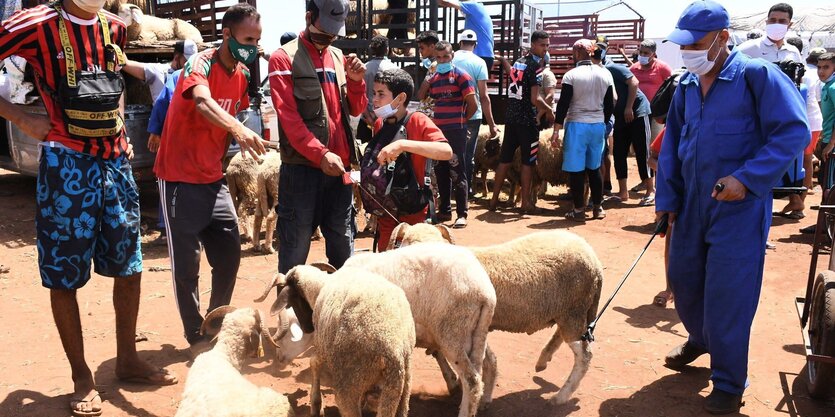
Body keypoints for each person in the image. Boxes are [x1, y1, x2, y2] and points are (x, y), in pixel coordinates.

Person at [0, 1, 180, 415]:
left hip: (115, 163)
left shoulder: (114, 28)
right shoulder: (37, 24)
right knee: (64, 274)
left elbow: (111, 84)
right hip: (67, 164)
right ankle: (82, 376)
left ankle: (127, 359)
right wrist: (22, 120)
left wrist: (119, 129)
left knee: (130, 264)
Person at [657, 1, 809, 414]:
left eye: (696, 44)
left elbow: (793, 132)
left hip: (738, 208)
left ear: (723, 38)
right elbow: (672, 146)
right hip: (690, 205)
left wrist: (747, 177)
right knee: (685, 281)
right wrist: (668, 200)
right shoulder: (686, 85)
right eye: (683, 45)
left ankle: (728, 380)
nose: (687, 52)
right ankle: (700, 339)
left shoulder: (757, 75)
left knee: (729, 293)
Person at [155, 3, 266, 354]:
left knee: (229, 254)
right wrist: (236, 128)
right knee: (186, 265)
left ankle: (214, 324)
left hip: (212, 178)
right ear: (227, 34)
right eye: (247, 39)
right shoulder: (199, 63)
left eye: (257, 40)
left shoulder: (244, 76)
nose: (252, 46)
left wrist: (237, 132)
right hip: (178, 177)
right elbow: (202, 103)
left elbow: (236, 110)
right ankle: (194, 335)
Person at [268, 0, 367, 274]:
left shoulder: (337, 57)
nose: (330, 37)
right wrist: (320, 154)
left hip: (340, 173)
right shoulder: (283, 58)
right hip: (302, 173)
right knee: (294, 255)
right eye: (325, 31)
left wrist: (358, 82)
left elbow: (356, 109)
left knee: (343, 253)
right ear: (308, 16)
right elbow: (289, 120)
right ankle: (289, 317)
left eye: (334, 33)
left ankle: (339, 316)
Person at [367, 68, 453, 249]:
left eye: (381, 94)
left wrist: (403, 145)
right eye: (374, 93)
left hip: (414, 213)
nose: (374, 99)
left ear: (400, 98)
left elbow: (446, 151)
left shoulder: (418, 120)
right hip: (386, 211)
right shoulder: (379, 124)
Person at [489, 30, 554, 214]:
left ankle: (493, 201)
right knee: (528, 162)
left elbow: (513, 78)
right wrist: (549, 111)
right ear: (533, 44)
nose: (545, 49)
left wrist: (503, 61)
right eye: (543, 45)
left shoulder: (519, 62)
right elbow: (535, 99)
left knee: (505, 160)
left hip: (511, 119)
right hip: (527, 122)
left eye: (547, 45)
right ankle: (525, 204)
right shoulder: (536, 67)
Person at [553, 39, 615, 222]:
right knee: (595, 167)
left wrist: (557, 130)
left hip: (576, 125)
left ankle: (579, 209)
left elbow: (563, 104)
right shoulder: (606, 74)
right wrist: (602, 122)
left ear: (579, 53)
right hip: (597, 126)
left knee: (576, 170)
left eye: (573, 52)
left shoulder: (571, 75)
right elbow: (611, 104)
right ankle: (598, 207)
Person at [427, 40, 477, 228]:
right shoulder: (435, 78)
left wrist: (461, 122)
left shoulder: (461, 76)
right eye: (438, 57)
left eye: (445, 57)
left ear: (452, 56)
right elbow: (423, 94)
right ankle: (445, 210)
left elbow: (473, 104)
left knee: (458, 171)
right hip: (438, 132)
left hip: (456, 131)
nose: (442, 60)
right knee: (441, 170)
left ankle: (462, 213)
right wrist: (429, 76)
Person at [603, 40, 655, 205]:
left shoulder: (612, 68)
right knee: (618, 153)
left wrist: (628, 108)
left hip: (638, 113)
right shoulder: (595, 71)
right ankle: (623, 192)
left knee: (642, 152)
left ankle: (650, 190)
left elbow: (634, 82)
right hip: (620, 118)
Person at [452, 29, 498, 197]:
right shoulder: (479, 63)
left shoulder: (450, 58)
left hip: (451, 113)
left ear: (459, 43)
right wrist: (492, 124)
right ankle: (466, 189)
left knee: (449, 151)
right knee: (467, 154)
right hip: (473, 114)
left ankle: (450, 188)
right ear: (476, 45)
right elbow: (484, 96)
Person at [122, 39, 197, 101]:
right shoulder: (158, 70)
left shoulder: (194, 76)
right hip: (163, 117)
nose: (190, 65)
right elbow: (125, 64)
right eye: (187, 61)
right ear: (177, 57)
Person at [629, 39, 673, 140]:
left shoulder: (662, 67)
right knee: (639, 143)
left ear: (653, 54)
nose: (642, 55)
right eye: (641, 52)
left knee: (653, 142)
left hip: (656, 113)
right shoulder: (633, 69)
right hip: (638, 111)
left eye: (646, 53)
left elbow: (672, 85)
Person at [357, 35, 397, 143]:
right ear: (387, 49)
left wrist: (368, 117)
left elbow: (360, 94)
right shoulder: (394, 69)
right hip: (386, 118)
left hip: (366, 118)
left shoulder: (364, 68)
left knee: (364, 152)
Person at [734, 3, 801, 63]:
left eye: (782, 21)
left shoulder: (793, 52)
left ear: (789, 25)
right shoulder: (747, 48)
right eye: (773, 20)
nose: (776, 24)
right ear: (767, 22)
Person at [438, 0, 495, 69]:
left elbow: (445, 2)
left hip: (478, 56)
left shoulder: (472, 5)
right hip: (487, 57)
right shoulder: (479, 10)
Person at [415, 30, 440, 117]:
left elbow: (421, 94)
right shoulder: (446, 63)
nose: (420, 51)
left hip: (431, 112)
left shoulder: (434, 66)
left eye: (422, 48)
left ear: (432, 46)